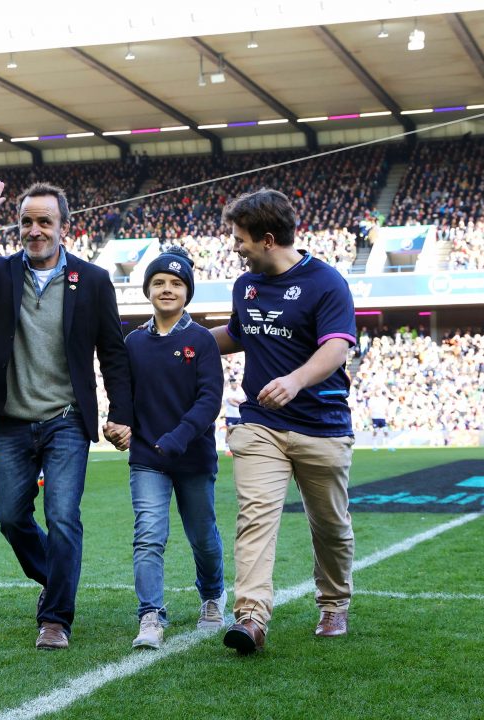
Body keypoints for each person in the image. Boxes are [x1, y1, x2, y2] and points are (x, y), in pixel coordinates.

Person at [0, 179, 133, 650]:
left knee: (63, 517)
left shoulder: (93, 281)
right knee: (9, 516)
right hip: (11, 420)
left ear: (64, 227)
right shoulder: (0, 274)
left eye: (45, 221)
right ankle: (57, 578)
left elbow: (112, 352)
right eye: (27, 221)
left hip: (67, 420)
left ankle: (55, 619)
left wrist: (121, 412)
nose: (35, 229)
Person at [209, 188, 358, 655]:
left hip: (323, 425)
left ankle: (334, 602)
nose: (235, 246)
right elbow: (237, 334)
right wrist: (176, 341)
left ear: (268, 239)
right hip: (259, 425)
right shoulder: (244, 285)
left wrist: (295, 381)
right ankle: (251, 618)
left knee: (330, 525)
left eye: (240, 239)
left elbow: (337, 347)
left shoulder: (326, 282)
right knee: (254, 518)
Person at [123, 246, 225, 650]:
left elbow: (208, 401)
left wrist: (178, 438)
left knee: (202, 535)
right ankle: (150, 615)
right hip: (148, 458)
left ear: (188, 292)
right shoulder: (132, 341)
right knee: (148, 535)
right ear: (148, 289)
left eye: (176, 283)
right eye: (159, 282)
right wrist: (120, 424)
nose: (167, 289)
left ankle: (213, 596)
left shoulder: (201, 341)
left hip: (193, 456)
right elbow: (125, 396)